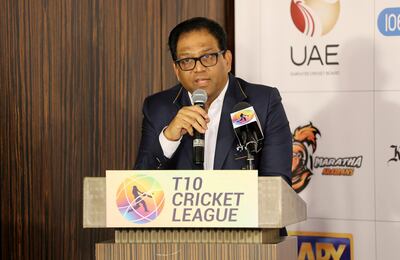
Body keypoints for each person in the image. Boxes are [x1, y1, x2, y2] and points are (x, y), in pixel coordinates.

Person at [134, 17, 292, 183]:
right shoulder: (158, 108)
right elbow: (138, 187)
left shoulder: (263, 102)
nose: (199, 68)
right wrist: (168, 139)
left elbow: (277, 184)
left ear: (227, 60)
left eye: (208, 57)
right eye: (187, 60)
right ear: (176, 70)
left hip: (243, 208)